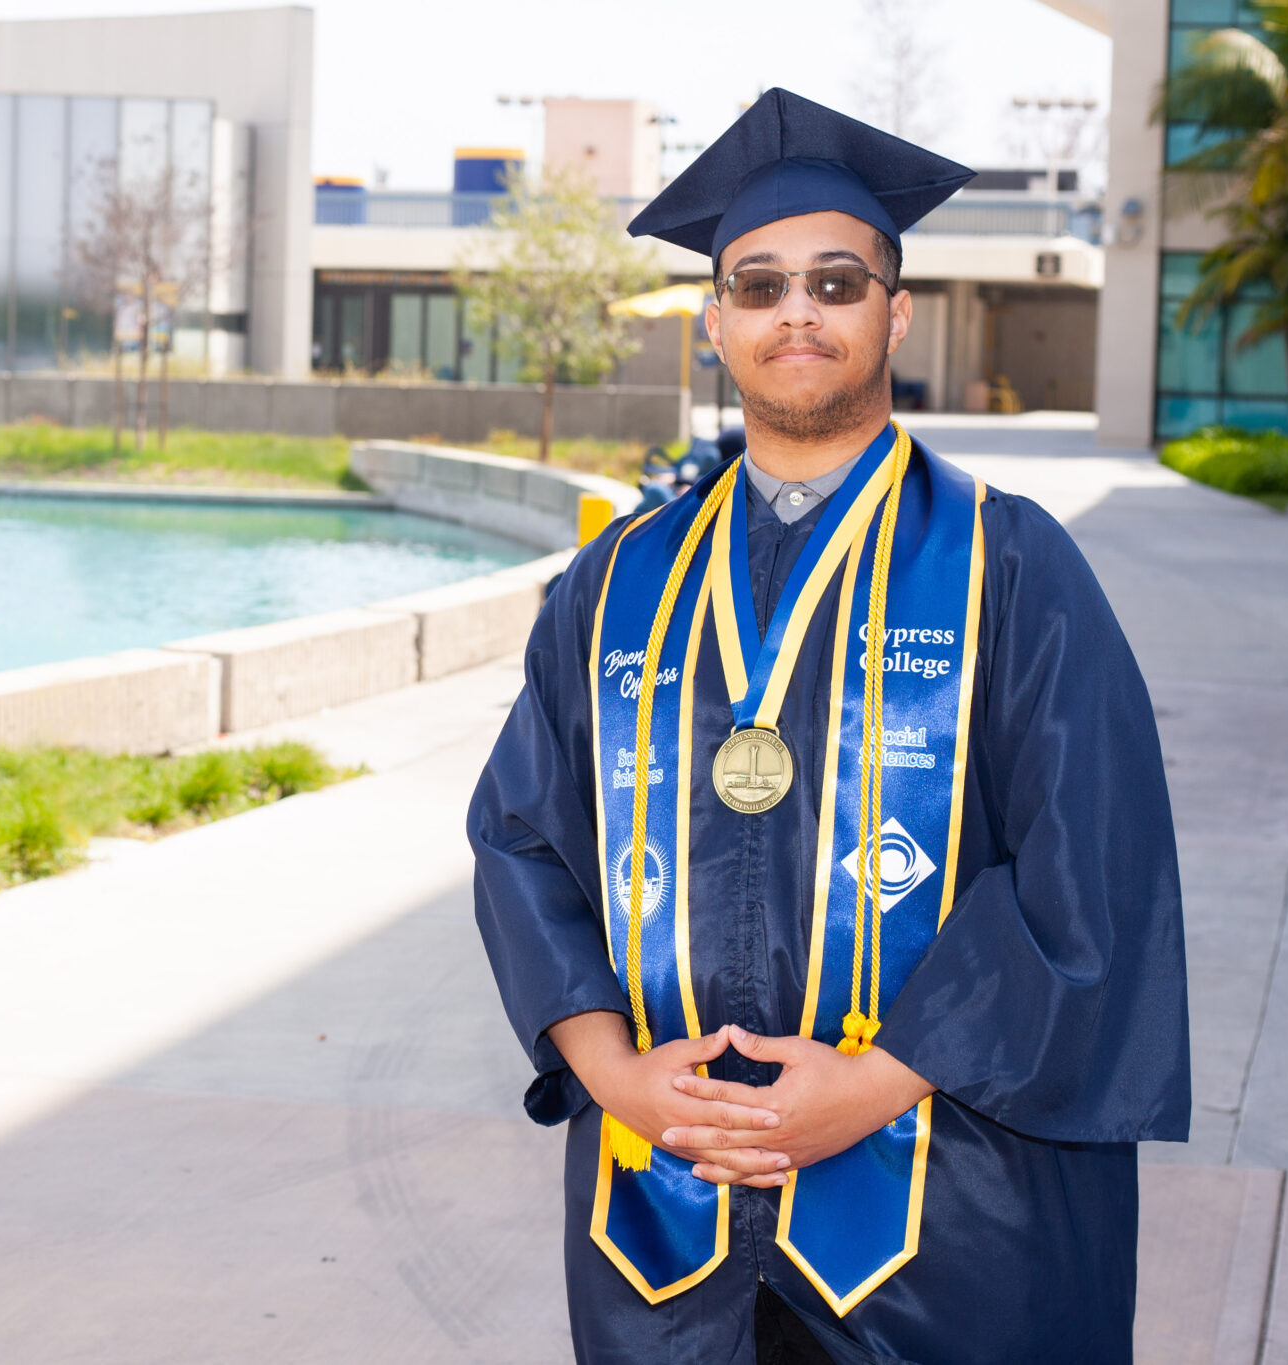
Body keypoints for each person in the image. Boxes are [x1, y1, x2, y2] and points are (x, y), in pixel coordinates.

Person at [469, 89, 1189, 1365]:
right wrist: (616, 1075)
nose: (793, 310)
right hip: (667, 1208)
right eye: (756, 285)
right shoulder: (612, 583)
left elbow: (1091, 869)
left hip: (948, 1213)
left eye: (835, 280)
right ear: (715, 322)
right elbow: (522, 842)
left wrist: (867, 1086)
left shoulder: (1004, 567)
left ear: (893, 312)